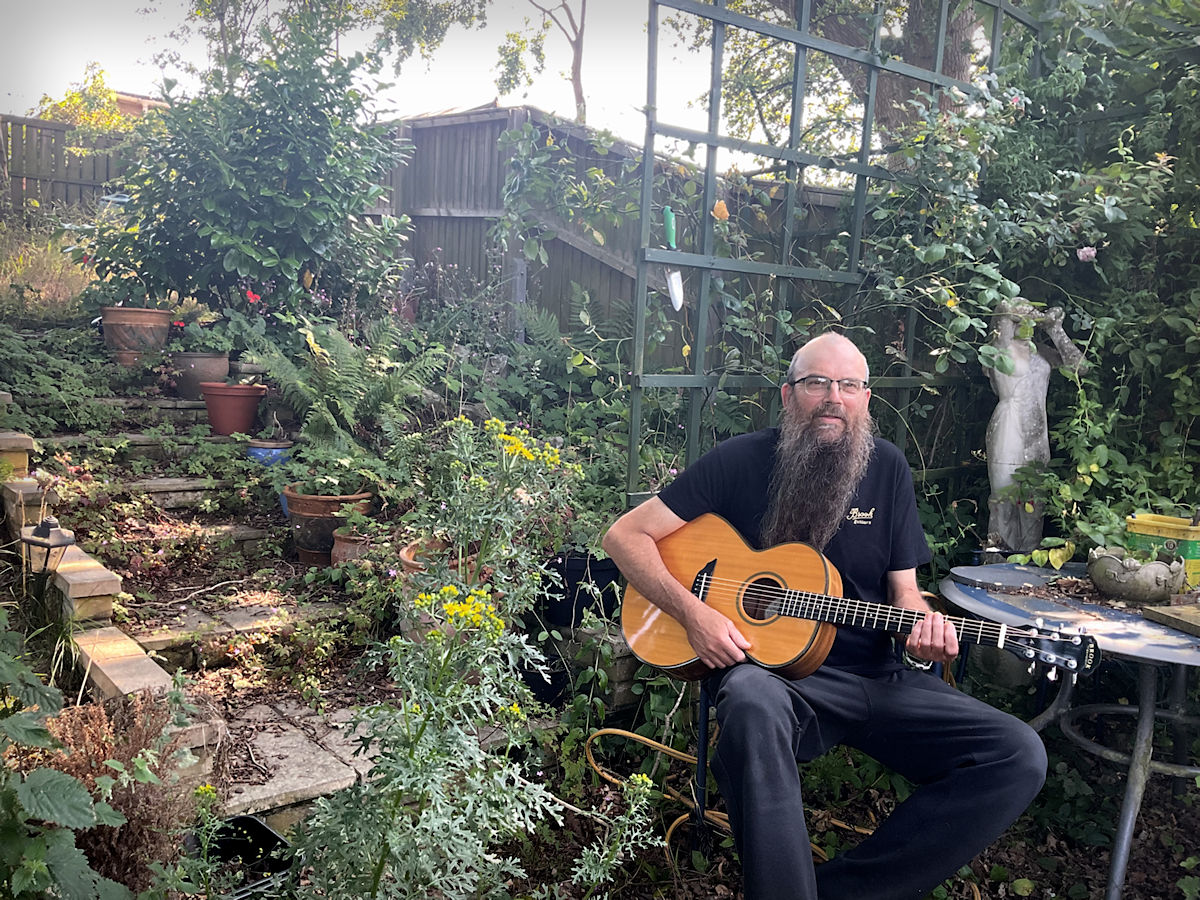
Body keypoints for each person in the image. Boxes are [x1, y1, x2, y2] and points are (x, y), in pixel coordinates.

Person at [603, 332, 1047, 900]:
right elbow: (625, 536)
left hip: (880, 679)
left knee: (1018, 755)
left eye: (850, 385)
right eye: (817, 382)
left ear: (865, 398)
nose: (834, 396)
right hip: (776, 678)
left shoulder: (886, 468)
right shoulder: (740, 461)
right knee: (750, 702)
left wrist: (924, 630)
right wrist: (693, 615)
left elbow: (907, 594)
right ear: (789, 395)